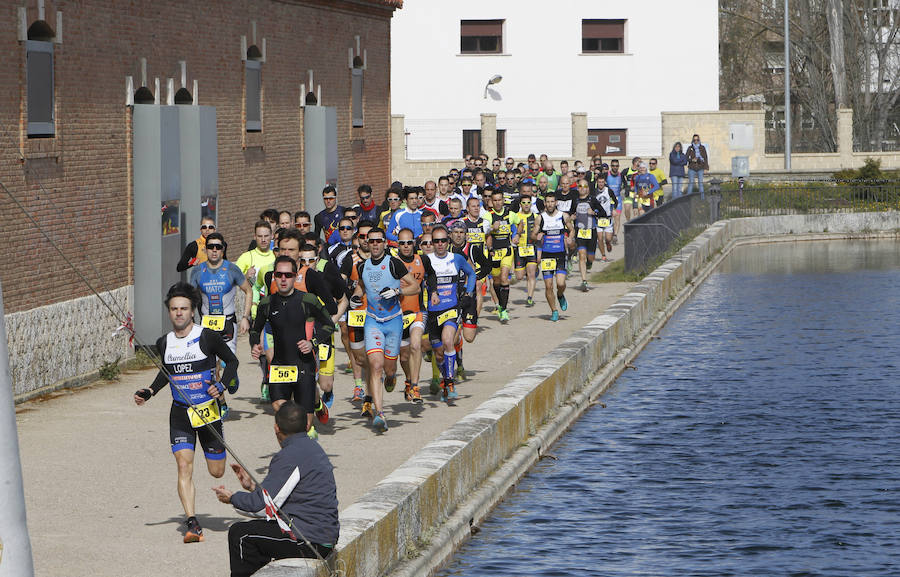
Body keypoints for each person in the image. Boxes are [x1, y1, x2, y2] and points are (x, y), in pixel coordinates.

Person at [133, 282, 237, 543]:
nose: (178, 313)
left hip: (208, 412)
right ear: (169, 312)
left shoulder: (207, 337)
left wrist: (222, 385)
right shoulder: (164, 343)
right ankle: (192, 522)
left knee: (217, 472)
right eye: (174, 309)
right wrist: (150, 391)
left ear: (192, 312)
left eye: (184, 309)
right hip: (181, 414)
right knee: (183, 465)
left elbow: (232, 361)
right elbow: (167, 372)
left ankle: (227, 480)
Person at [213, 401, 339, 577]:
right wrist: (252, 487)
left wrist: (232, 497)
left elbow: (262, 506)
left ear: (276, 428)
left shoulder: (289, 455)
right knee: (261, 533)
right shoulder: (313, 448)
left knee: (241, 535)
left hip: (309, 541)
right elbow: (283, 494)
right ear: (308, 425)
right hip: (323, 536)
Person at [250, 256, 335, 435]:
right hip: (280, 364)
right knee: (281, 412)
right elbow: (255, 330)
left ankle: (317, 403)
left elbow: (329, 325)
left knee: (305, 425)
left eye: (287, 275)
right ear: (274, 276)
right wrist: (254, 345)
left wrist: (312, 343)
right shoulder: (267, 303)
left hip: (303, 364)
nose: (282, 279)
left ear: (295, 277)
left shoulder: (308, 300)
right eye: (278, 274)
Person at [351, 227, 420, 431]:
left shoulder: (393, 263)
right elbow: (361, 286)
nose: (374, 244)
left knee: (389, 369)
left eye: (378, 241)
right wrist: (356, 297)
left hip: (393, 321)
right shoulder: (362, 266)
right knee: (375, 365)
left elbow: (415, 287)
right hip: (373, 321)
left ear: (384, 243)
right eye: (370, 241)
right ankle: (379, 413)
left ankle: (392, 378)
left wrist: (397, 290)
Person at [426, 225, 475, 402]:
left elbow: (472, 274)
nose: (440, 244)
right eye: (436, 241)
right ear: (432, 243)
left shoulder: (457, 258)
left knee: (448, 341)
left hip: (451, 309)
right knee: (438, 354)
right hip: (432, 313)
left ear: (448, 241)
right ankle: (445, 375)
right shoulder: (426, 260)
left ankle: (449, 381)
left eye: (443, 241)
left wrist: (468, 293)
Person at [395, 228, 435, 404]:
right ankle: (409, 379)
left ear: (414, 243)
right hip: (398, 314)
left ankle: (416, 387)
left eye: (409, 242)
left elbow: (432, 275)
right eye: (402, 243)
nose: (405, 246)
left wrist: (433, 291)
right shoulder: (392, 263)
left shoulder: (422, 259)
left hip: (419, 311)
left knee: (416, 345)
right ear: (397, 245)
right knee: (403, 356)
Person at [532, 191, 575, 322]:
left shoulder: (564, 216)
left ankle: (560, 295)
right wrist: (536, 236)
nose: (550, 204)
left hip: (561, 254)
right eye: (548, 202)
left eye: (552, 202)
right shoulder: (541, 217)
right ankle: (554, 310)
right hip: (547, 256)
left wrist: (570, 238)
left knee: (561, 283)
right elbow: (532, 235)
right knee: (548, 286)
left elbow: (572, 229)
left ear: (556, 203)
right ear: (545, 203)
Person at [487, 189, 520, 322]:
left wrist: (517, 234)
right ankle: (500, 305)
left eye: (500, 200)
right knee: (496, 281)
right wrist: (491, 228)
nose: (497, 203)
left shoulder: (510, 214)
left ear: (503, 200)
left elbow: (520, 223)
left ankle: (504, 310)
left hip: (507, 250)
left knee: (504, 277)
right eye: (495, 200)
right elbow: (485, 233)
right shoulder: (488, 216)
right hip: (494, 252)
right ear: (491, 202)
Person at [569, 179, 607, 292]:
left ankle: (589, 264)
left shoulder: (592, 200)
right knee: (581, 255)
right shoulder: (575, 200)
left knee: (590, 258)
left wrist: (594, 212)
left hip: (592, 232)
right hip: (580, 232)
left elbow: (603, 213)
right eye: (580, 185)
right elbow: (570, 213)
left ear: (588, 188)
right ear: (577, 188)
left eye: (585, 186)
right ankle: (584, 281)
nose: (582, 188)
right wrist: (571, 217)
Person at [513, 193, 538, 308]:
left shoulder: (536, 216)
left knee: (531, 274)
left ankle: (529, 297)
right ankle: (525, 272)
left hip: (531, 248)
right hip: (519, 249)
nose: (526, 205)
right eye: (524, 203)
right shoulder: (515, 216)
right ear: (520, 204)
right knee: (519, 276)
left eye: (529, 203)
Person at [593, 176, 617, 263]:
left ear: (605, 182)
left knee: (607, 239)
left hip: (608, 218)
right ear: (597, 183)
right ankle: (603, 256)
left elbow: (615, 200)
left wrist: (614, 209)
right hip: (598, 219)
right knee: (599, 238)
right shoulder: (594, 192)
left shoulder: (609, 191)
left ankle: (608, 243)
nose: (601, 184)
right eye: (599, 182)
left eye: (602, 182)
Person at [686, 134, 709, 198]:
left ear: (699, 140)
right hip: (692, 168)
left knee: (700, 184)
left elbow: (705, 158)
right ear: (693, 140)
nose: (696, 141)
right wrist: (691, 160)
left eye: (697, 140)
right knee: (690, 184)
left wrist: (706, 168)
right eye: (694, 140)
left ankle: (702, 199)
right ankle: (687, 199)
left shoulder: (702, 147)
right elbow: (686, 158)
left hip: (700, 167)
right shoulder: (690, 148)